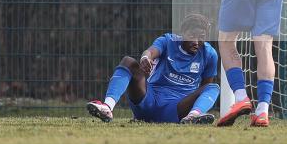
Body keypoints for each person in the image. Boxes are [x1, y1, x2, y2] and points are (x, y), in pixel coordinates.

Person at [86, 13, 220, 124]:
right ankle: (107, 107)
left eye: (201, 38)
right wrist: (145, 59)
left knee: (213, 88)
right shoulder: (168, 41)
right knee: (128, 61)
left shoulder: (209, 54)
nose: (196, 42)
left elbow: (204, 87)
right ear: (183, 33)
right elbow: (149, 52)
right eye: (192, 36)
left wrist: (194, 107)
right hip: (149, 102)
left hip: (176, 109)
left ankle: (192, 118)